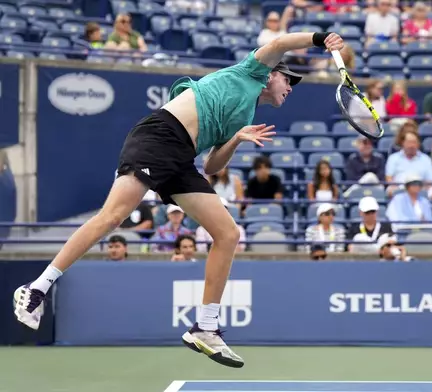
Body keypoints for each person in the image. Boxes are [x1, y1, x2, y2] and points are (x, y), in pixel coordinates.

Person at [13, 31, 345, 368]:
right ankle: (36, 288)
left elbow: (213, 165)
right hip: (159, 137)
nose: (291, 88)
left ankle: (206, 326)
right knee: (112, 217)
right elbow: (278, 43)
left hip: (182, 158)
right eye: (289, 80)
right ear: (272, 74)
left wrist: (238, 139)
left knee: (228, 233)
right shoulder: (251, 72)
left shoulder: (245, 116)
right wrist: (320, 40)